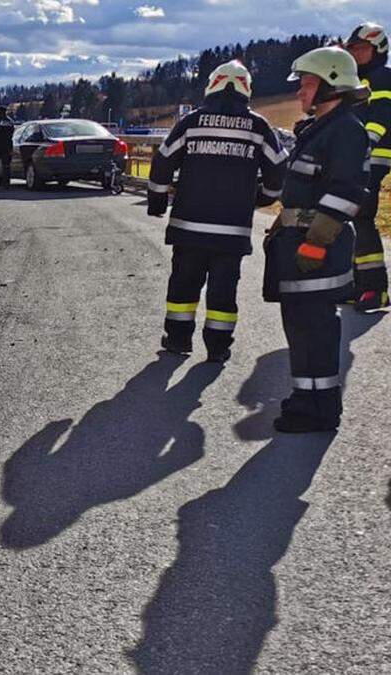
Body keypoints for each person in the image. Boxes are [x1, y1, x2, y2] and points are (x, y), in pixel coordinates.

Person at [147, 60, 287, 364]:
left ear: (212, 84)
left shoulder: (192, 122)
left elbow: (163, 161)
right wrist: (262, 198)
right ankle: (218, 346)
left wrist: (157, 200)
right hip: (232, 230)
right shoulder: (259, 126)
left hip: (189, 227)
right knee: (223, 292)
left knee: (183, 284)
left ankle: (178, 340)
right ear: (246, 89)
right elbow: (278, 169)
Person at [264, 46, 369, 433]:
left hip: (317, 249)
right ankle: (306, 398)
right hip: (299, 245)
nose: (300, 92)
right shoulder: (319, 130)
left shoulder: (345, 131)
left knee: (316, 329)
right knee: (300, 325)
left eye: (307, 84)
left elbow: (346, 192)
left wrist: (317, 242)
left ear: (332, 84)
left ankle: (321, 410)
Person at [344, 22, 391, 312]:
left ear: (377, 50)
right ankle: (360, 285)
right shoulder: (360, 82)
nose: (355, 54)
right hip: (360, 157)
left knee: (361, 217)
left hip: (374, 157)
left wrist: (364, 146)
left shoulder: (381, 77)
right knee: (352, 217)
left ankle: (376, 289)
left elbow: (382, 116)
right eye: (352, 49)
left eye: (360, 48)